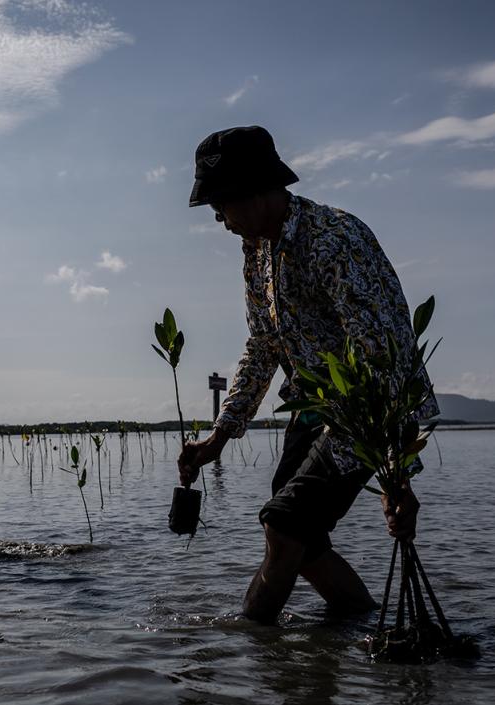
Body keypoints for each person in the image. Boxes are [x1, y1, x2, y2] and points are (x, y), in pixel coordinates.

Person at [178, 126, 437, 623]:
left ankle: (252, 645)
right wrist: (220, 436)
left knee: (284, 526)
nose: (218, 219)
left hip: (365, 411)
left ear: (253, 193)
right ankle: (359, 623)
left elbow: (385, 356)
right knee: (301, 540)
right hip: (310, 404)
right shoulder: (257, 254)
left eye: (219, 206)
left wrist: (397, 470)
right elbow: (263, 346)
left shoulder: (335, 239)